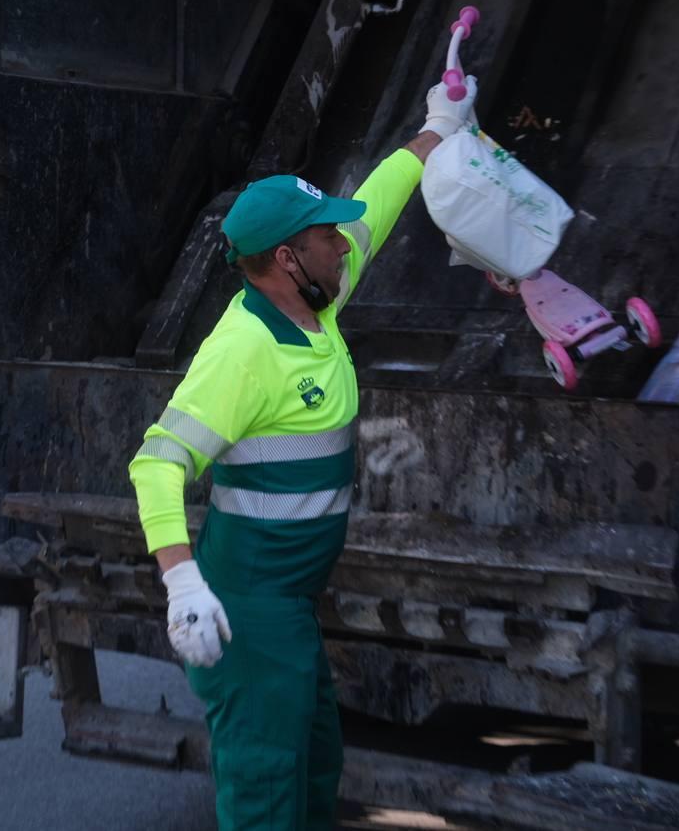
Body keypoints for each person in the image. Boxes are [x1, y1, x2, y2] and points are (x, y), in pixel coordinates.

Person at [127, 75, 479, 831]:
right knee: (267, 793)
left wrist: (437, 128)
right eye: (326, 235)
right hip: (246, 608)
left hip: (289, 604)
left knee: (316, 771)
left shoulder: (315, 298)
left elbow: (377, 208)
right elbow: (157, 463)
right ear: (289, 258)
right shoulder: (244, 350)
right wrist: (182, 582)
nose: (342, 242)